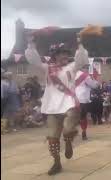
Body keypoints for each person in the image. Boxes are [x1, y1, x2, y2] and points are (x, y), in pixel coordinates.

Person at [25, 34, 88, 175]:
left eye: (66, 53)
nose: (64, 55)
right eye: (61, 53)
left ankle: (68, 142)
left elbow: (82, 59)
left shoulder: (72, 67)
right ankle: (57, 163)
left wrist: (80, 44)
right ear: (54, 56)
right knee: (53, 137)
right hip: (52, 107)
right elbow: (33, 60)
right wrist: (31, 44)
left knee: (67, 129)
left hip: (69, 104)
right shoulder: (47, 68)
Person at [75, 64, 99, 140]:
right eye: (86, 67)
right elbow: (94, 86)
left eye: (88, 68)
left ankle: (68, 132)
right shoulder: (85, 76)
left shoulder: (74, 74)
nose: (87, 69)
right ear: (82, 67)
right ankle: (84, 132)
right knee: (83, 117)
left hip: (74, 98)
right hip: (83, 98)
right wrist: (96, 80)